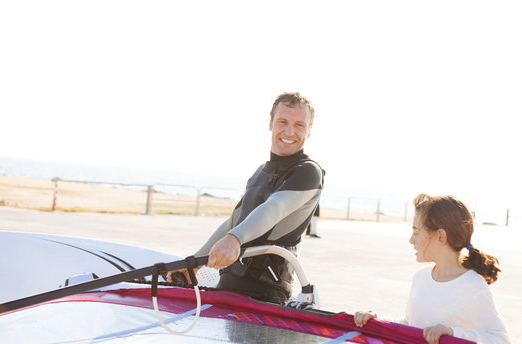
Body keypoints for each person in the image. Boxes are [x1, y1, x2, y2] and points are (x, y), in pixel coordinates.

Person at [169, 92, 324, 304]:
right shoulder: (261, 172)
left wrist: (234, 239)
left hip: (266, 296)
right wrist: (194, 263)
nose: (290, 131)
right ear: (270, 123)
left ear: (309, 130)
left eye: (299, 125)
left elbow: (274, 209)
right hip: (227, 288)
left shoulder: (308, 171)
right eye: (283, 122)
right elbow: (232, 222)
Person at [354, 193, 511, 344]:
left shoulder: (473, 285)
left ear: (440, 236)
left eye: (416, 231)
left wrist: (452, 332)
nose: (411, 240)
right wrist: (375, 320)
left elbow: (500, 340)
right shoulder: (420, 278)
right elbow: (410, 325)